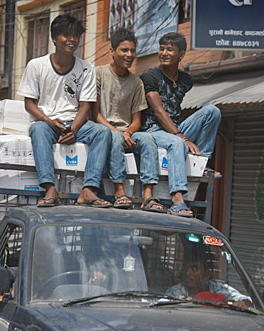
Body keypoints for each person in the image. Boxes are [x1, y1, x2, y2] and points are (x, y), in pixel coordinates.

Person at [17, 13, 112, 208]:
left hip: (76, 123)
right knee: (37, 129)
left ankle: (89, 189)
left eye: (76, 36)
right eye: (66, 35)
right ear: (54, 38)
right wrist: (49, 121)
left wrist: (74, 129)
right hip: (48, 123)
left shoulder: (86, 69)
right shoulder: (36, 66)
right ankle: (50, 188)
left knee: (102, 132)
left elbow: (86, 104)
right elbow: (29, 104)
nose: (72, 40)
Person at [140, 32, 221, 217]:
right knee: (177, 143)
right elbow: (159, 110)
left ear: (181, 54)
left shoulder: (186, 80)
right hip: (153, 130)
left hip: (174, 129)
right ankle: (177, 199)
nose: (164, 53)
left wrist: (179, 133)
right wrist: (181, 136)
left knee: (212, 111)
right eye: (161, 49)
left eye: (170, 49)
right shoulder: (150, 77)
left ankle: (202, 162)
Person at [92, 28, 163, 212]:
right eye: (124, 50)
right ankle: (119, 191)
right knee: (114, 137)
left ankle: (148, 195)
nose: (129, 55)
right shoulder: (98, 74)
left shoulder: (137, 82)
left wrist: (128, 132)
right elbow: (95, 114)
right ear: (112, 52)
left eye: (132, 50)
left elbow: (136, 119)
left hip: (127, 133)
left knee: (148, 139)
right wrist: (118, 133)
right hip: (104, 130)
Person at [166, 258, 253, 309]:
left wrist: (242, 303)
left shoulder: (219, 289)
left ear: (207, 274)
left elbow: (248, 300)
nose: (187, 272)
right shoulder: (175, 292)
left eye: (194, 268)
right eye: (185, 268)